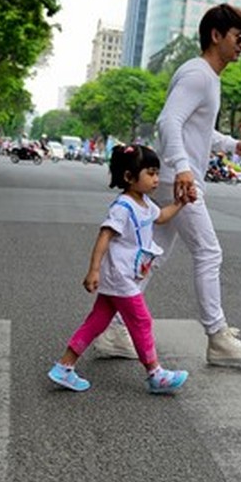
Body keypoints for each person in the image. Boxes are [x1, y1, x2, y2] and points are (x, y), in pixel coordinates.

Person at [92, 4, 241, 365]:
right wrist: (183, 169)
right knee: (209, 251)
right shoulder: (198, 75)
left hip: (176, 175)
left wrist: (235, 145)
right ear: (216, 36)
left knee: (150, 256)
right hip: (179, 180)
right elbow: (168, 120)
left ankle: (114, 329)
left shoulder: (205, 76)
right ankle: (217, 337)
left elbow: (196, 128)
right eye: (238, 37)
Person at [48, 145, 190, 394]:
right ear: (128, 177)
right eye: (150, 173)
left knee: (98, 320)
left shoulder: (144, 203)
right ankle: (155, 374)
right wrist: (93, 270)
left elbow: (161, 217)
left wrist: (180, 203)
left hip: (125, 275)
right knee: (141, 320)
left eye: (157, 173)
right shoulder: (123, 207)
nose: (156, 179)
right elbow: (104, 236)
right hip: (119, 276)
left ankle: (64, 366)